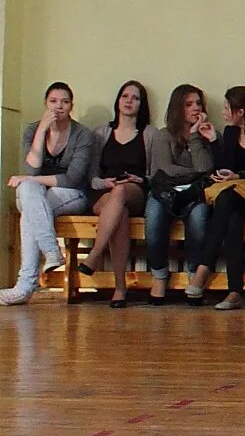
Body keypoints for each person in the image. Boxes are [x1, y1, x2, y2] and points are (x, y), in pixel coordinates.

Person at [2, 82, 97, 305]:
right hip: (39, 196)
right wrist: (42, 131)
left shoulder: (82, 134)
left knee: (29, 203)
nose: (59, 107)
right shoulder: (32, 130)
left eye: (64, 102)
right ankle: (51, 251)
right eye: (53, 101)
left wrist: (30, 180)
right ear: (45, 103)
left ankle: (24, 287)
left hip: (72, 194)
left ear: (71, 105)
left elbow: (72, 178)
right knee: (29, 196)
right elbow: (31, 168)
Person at [186, 86, 245, 310]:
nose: (223, 113)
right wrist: (214, 140)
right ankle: (235, 291)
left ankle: (203, 268)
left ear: (241, 112)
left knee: (226, 200)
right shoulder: (231, 132)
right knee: (232, 217)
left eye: (227, 108)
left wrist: (240, 176)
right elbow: (225, 166)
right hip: (236, 197)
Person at [144, 84, 215, 304]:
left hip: (195, 193)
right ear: (177, 108)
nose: (195, 108)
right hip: (164, 191)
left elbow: (208, 167)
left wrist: (195, 137)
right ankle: (159, 275)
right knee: (154, 217)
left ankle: (194, 277)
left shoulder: (207, 134)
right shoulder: (163, 135)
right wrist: (197, 173)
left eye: (198, 103)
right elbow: (164, 169)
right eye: (188, 104)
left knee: (199, 218)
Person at [83, 81, 152, 307]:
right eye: (125, 96)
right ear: (118, 101)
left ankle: (95, 254)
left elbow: (154, 176)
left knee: (121, 192)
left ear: (142, 104)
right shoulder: (102, 133)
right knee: (118, 212)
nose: (129, 101)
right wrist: (104, 182)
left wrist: (139, 179)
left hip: (135, 190)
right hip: (103, 192)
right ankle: (120, 287)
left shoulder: (149, 134)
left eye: (135, 97)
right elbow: (91, 176)